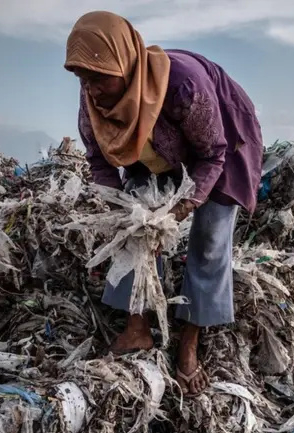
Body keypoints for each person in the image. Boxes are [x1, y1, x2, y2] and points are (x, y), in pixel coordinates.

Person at [64, 11, 263, 396]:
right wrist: (123, 209)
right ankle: (137, 327)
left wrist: (181, 209)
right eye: (82, 79)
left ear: (125, 61)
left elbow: (212, 155)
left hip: (219, 145)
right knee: (135, 229)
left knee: (209, 238)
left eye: (99, 78)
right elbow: (99, 159)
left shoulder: (184, 86)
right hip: (154, 148)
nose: (91, 89)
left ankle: (189, 341)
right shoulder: (94, 99)